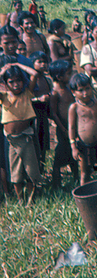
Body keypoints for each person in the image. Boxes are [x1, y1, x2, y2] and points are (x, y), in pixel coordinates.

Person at [0, 62, 42, 206]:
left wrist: (18, 64)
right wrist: (3, 71)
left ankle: (31, 200)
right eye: (12, 82)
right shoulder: (4, 97)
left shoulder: (27, 93)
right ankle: (20, 199)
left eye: (19, 81)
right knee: (15, 172)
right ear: (6, 84)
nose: (16, 84)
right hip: (12, 140)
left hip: (25, 137)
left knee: (31, 170)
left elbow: (35, 74)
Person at [68, 73, 97, 185]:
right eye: (80, 90)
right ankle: (85, 195)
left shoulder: (95, 102)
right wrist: (73, 147)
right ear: (73, 92)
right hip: (83, 145)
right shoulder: (74, 107)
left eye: (87, 89)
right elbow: (71, 127)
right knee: (85, 172)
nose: (85, 93)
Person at [49, 60, 77, 187]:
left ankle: (77, 178)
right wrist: (62, 128)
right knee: (60, 154)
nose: (70, 76)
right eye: (68, 74)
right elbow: (54, 113)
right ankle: (56, 182)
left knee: (74, 153)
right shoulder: (55, 92)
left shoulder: (67, 88)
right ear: (59, 77)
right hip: (63, 128)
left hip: (71, 126)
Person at [29, 51, 52, 169]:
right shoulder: (30, 79)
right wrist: (38, 99)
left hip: (43, 115)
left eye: (45, 62)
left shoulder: (46, 79)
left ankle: (42, 168)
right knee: (35, 143)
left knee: (44, 143)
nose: (43, 64)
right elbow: (26, 98)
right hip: (33, 115)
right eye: (40, 62)